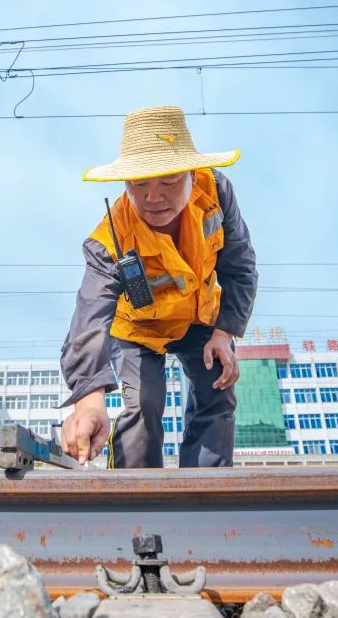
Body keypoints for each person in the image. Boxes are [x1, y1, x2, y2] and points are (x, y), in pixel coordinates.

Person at [59, 106, 258, 469]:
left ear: (191, 175)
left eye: (168, 182)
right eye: (139, 184)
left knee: (218, 386)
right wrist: (88, 398)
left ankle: (205, 490)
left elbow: (240, 266)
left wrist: (224, 332)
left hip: (200, 319)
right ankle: (138, 498)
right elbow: (90, 313)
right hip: (138, 328)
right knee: (143, 403)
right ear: (124, 184)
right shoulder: (110, 239)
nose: (153, 198)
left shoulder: (215, 192)